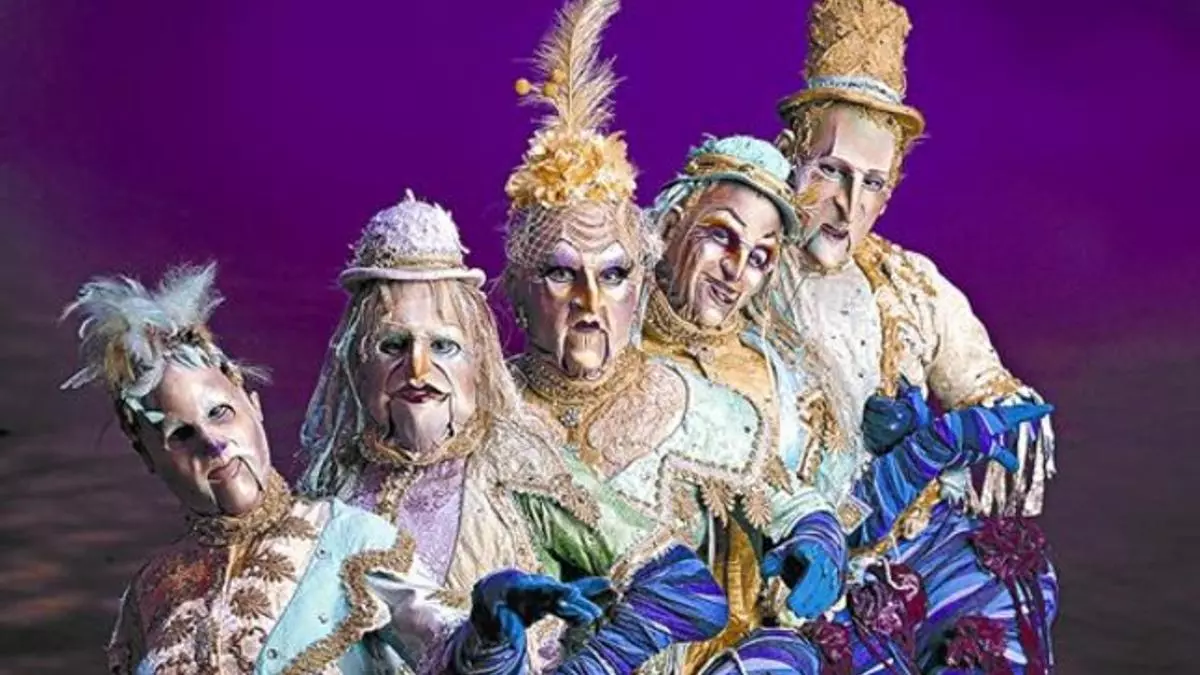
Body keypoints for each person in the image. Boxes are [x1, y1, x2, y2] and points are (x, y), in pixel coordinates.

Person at [501, 2, 842, 672]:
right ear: (516, 290)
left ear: (640, 274)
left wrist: (815, 535)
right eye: (561, 275)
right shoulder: (479, 410)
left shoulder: (700, 407)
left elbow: (785, 493)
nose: (591, 304)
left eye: (613, 275)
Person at [762, 0, 1059, 671]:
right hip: (784, 561)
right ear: (791, 157)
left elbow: (994, 391)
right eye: (831, 171)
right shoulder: (737, 269)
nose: (848, 204)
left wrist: (978, 427)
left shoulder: (910, 286)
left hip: (912, 548)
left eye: (871, 183)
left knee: (1007, 593)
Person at [62, 263, 460, 674]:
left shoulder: (351, 540)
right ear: (148, 456)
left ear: (254, 407)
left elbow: (451, 645)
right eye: (181, 434)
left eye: (220, 413)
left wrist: (484, 636)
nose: (213, 444)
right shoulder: (150, 592)